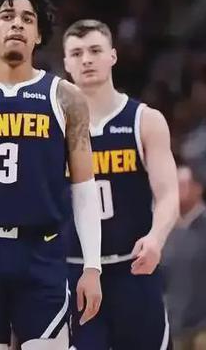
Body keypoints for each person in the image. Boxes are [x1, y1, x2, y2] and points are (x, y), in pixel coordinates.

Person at [0, 0, 102, 349]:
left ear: (38, 34)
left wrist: (92, 266)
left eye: (27, 19)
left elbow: (85, 187)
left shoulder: (66, 96)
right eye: (7, 16)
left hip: (41, 251)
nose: (17, 24)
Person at [63, 19, 179, 349]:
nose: (87, 59)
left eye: (95, 50)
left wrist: (156, 238)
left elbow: (169, 194)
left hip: (133, 269)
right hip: (76, 272)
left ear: (113, 56)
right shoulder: (55, 127)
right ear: (66, 63)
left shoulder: (145, 120)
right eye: (77, 53)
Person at [162, 165, 206, 350]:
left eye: (182, 185)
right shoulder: (167, 233)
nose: (177, 191)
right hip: (178, 326)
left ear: (198, 188)